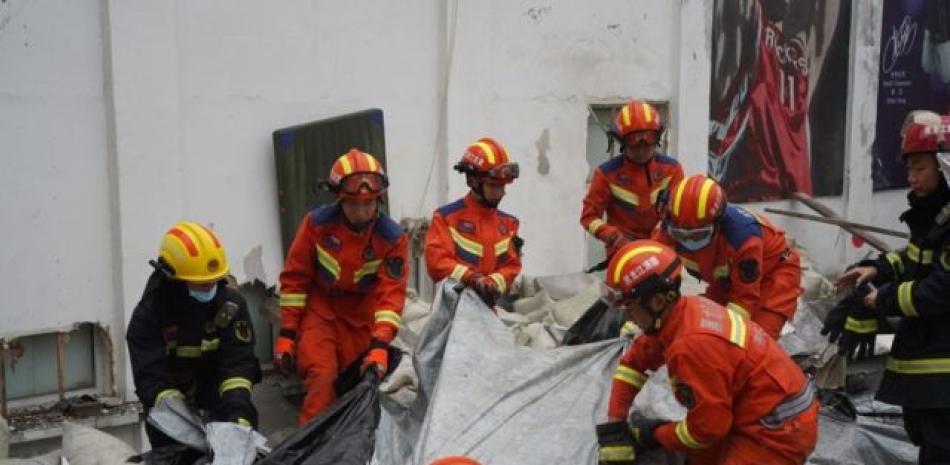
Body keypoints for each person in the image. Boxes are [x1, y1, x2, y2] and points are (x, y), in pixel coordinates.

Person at [595, 241, 817, 465]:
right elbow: (633, 363)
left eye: (630, 308)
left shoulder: (690, 346)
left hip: (778, 432)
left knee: (697, 439)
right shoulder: (682, 313)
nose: (628, 318)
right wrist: (616, 426)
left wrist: (654, 435)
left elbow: (705, 431)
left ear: (658, 302)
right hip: (754, 414)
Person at [830, 111, 950, 464]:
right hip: (932, 365)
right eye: (909, 168)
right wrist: (877, 269)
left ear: (944, 165)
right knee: (927, 438)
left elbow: (940, 290)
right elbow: (916, 259)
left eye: (919, 168)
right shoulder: (935, 213)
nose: (910, 178)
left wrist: (880, 300)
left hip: (942, 371)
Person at [274, 149, 409, 424]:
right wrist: (288, 332)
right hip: (320, 312)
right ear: (339, 199)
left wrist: (381, 343)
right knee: (322, 381)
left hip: (361, 321)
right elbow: (295, 279)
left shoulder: (392, 238)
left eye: (368, 203)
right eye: (353, 204)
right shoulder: (316, 225)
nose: (361, 212)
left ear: (378, 200)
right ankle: (312, 450)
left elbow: (390, 297)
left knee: (354, 391)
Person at [127, 221, 261, 448]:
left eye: (214, 282)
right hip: (170, 415)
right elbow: (152, 380)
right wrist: (187, 425)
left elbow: (237, 363)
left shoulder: (229, 306)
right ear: (173, 279)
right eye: (200, 284)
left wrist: (238, 414)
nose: (210, 289)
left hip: (221, 404)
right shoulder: (149, 316)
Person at [708, 0, 842, 201]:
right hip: (751, 190)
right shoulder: (746, 23)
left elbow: (824, 17)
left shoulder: (801, 53)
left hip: (796, 195)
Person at [652, 174, 801, 339]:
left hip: (774, 275)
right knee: (697, 325)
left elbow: (743, 300)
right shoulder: (672, 224)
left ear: (717, 223)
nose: (688, 240)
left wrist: (729, 339)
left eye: (698, 235)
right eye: (681, 234)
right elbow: (651, 271)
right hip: (726, 280)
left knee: (756, 339)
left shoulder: (743, 239)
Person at [581, 100, 684, 259]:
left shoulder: (672, 170)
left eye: (648, 139)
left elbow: (677, 214)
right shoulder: (606, 174)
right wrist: (614, 237)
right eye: (634, 141)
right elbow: (589, 218)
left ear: (657, 137)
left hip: (662, 252)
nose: (642, 149)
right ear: (622, 141)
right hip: (622, 254)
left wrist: (655, 241)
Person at [424, 137, 522, 305]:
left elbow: (512, 266)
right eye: (493, 186)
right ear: (473, 181)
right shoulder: (446, 218)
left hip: (487, 313)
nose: (499, 192)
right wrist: (471, 278)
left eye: (502, 186)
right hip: (451, 314)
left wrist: (492, 282)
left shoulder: (509, 224)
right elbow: (437, 263)